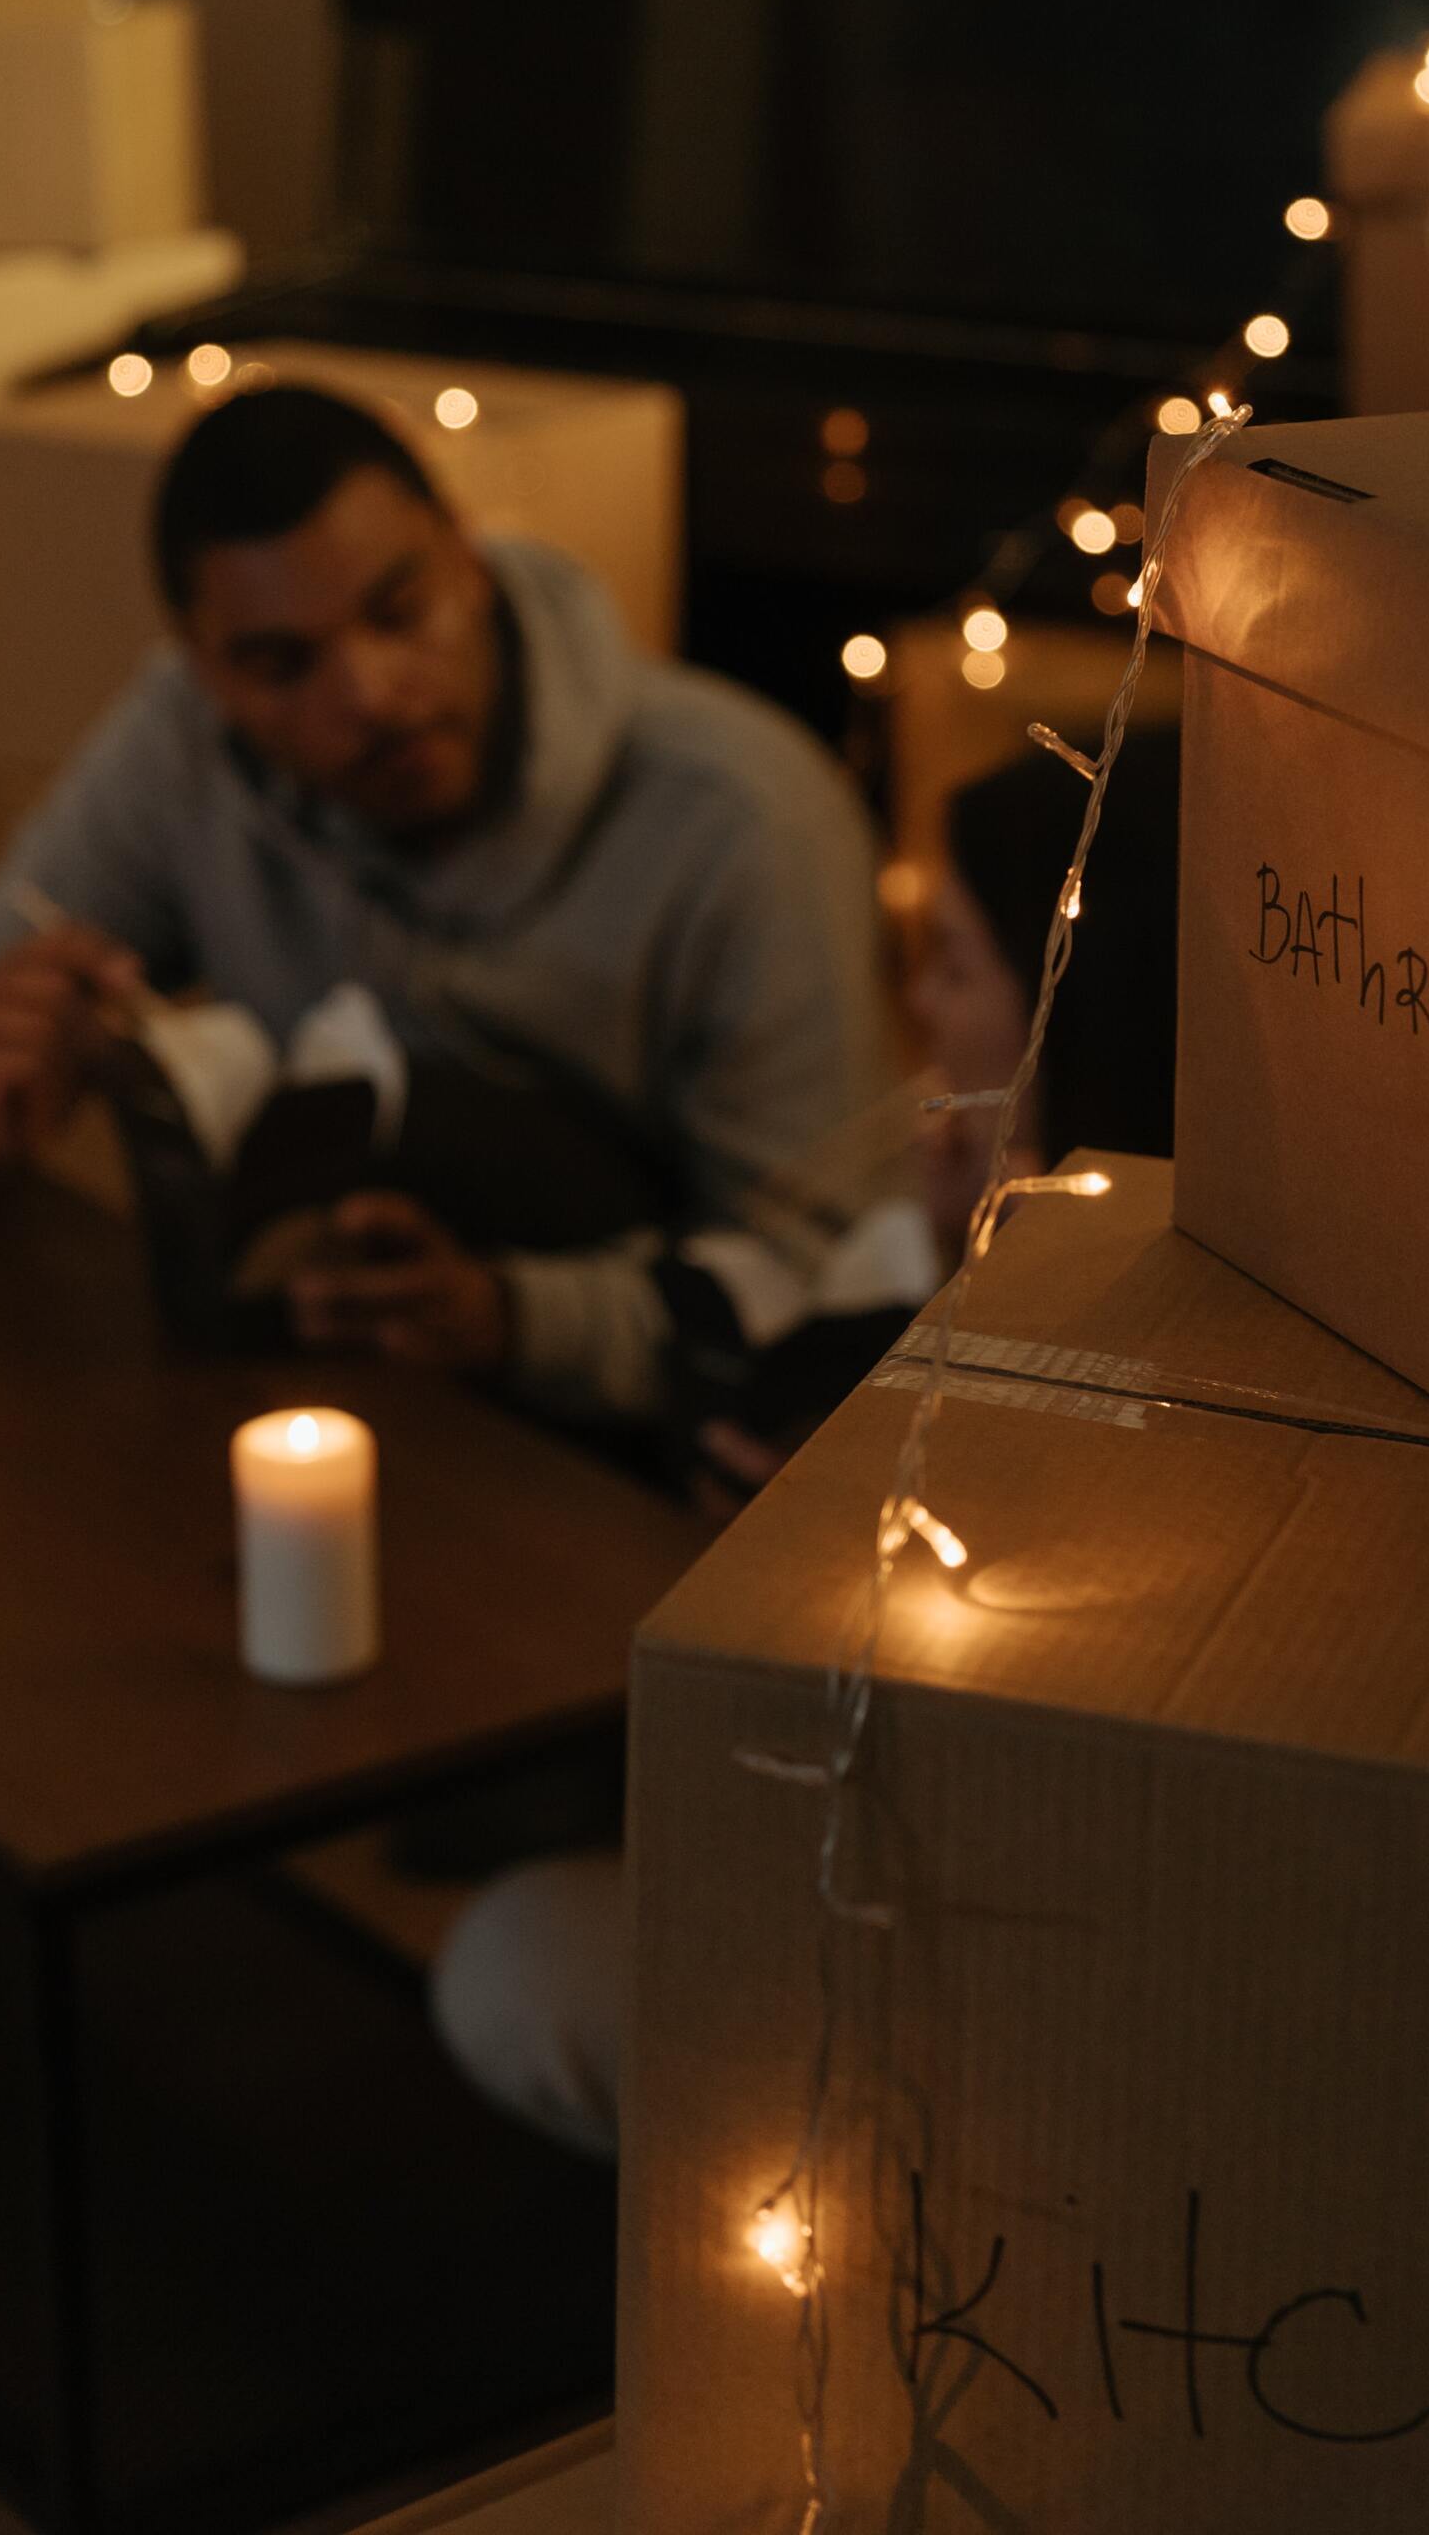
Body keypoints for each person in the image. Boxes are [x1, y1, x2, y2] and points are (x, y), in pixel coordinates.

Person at [431, 727, 1182, 2158]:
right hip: (819, 1806)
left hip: (978, 1928)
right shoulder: (951, 1210)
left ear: (1075, 1004)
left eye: (957, 966)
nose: (917, 1005)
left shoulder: (1117, 1338)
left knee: (515, 1965)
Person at [0, 381, 887, 1427]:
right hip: (323, 1402)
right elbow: (1, 970)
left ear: (468, 556)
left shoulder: (741, 818)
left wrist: (515, 1318)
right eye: (282, 665)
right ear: (205, 670)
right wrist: (8, 1049)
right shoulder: (185, 742)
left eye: (399, 614)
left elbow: (828, 1288)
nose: (364, 693)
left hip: (638, 1456)